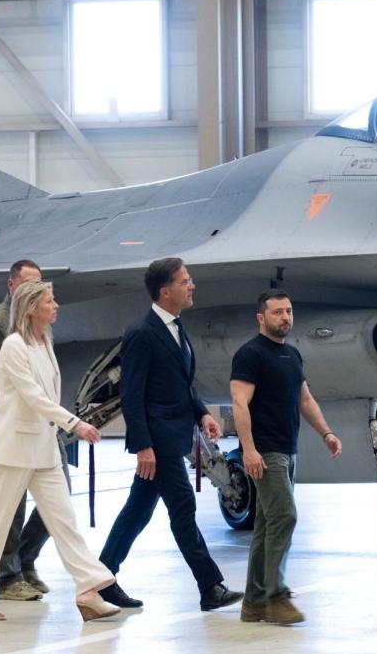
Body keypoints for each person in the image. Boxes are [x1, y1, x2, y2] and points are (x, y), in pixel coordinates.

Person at [0, 281, 119, 623]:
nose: (57, 305)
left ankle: (88, 591)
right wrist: (74, 423)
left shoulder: (44, 342)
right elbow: (34, 397)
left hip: (44, 449)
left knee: (64, 522)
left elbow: (46, 395)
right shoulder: (13, 347)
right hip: (15, 450)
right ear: (32, 307)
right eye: (50, 300)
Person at [97, 257, 244, 612]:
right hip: (158, 442)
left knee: (138, 510)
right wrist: (143, 446)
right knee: (183, 507)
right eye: (185, 281)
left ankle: (100, 579)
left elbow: (182, 383)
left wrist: (203, 413)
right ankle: (210, 586)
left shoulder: (175, 328)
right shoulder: (142, 334)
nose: (191, 286)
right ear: (166, 291)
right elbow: (132, 395)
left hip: (173, 435)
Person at [230, 290, 341, 625]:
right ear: (261, 318)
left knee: (267, 525)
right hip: (265, 451)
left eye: (289, 311)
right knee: (285, 516)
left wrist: (326, 433)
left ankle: (253, 603)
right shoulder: (250, 355)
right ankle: (275, 595)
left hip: (288, 449)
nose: (285, 318)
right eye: (277, 312)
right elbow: (239, 404)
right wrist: (248, 449)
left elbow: (304, 400)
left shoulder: (292, 355)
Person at [0, 259, 62, 602]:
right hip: (10, 430)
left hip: (42, 429)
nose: (36, 291)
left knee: (58, 499)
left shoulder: (39, 325)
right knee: (12, 506)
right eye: (27, 284)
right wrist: (0, 428)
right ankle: (9, 578)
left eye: (40, 283)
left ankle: (25, 559)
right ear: (11, 286)